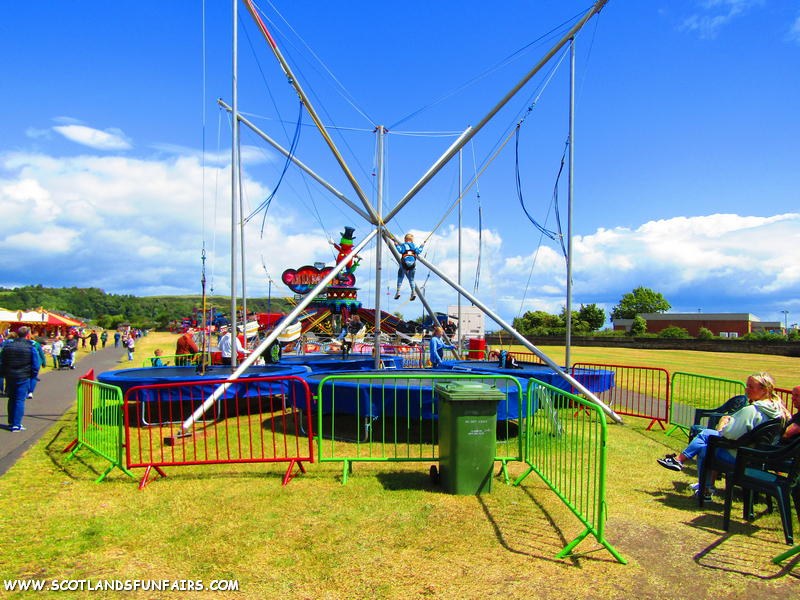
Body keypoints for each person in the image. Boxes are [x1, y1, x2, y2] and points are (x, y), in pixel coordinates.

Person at [656, 372, 791, 500]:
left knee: (705, 445)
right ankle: (689, 472)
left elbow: (728, 434)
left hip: (741, 456)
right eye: (747, 385)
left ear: (765, 390)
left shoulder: (752, 410)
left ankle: (702, 486)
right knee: (706, 437)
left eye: (751, 386)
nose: (747, 389)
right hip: (757, 456)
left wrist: (722, 424)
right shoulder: (778, 410)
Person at [1, 326, 40, 432]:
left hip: (10, 375)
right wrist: (33, 376)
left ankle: (11, 422)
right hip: (23, 376)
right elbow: (36, 365)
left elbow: (2, 361)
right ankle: (16, 424)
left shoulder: (7, 346)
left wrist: (3, 373)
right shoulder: (30, 347)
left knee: (11, 399)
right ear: (28, 335)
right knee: (19, 400)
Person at [394, 233, 424, 301]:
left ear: (405, 240)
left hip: (404, 263)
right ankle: (413, 292)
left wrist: (396, 245)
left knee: (400, 277)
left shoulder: (404, 245)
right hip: (413, 264)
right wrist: (422, 246)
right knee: (412, 279)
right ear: (412, 240)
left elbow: (400, 251)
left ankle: (398, 291)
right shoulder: (414, 245)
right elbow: (418, 251)